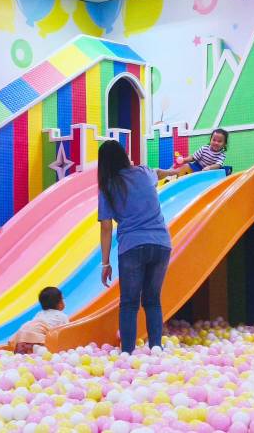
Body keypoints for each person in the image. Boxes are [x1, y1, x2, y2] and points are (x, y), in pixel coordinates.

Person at [98, 140, 172, 354]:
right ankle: (156, 347)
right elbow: (158, 173)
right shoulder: (143, 172)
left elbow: (105, 226)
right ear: (123, 155)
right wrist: (173, 171)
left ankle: (128, 352)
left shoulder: (108, 185)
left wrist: (105, 263)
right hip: (161, 243)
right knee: (152, 300)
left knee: (129, 303)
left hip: (132, 246)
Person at [10, 287, 68, 354]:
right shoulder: (62, 316)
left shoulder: (39, 314)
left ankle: (27, 350)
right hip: (38, 340)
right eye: (63, 299)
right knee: (45, 348)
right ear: (60, 303)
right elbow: (66, 333)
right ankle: (37, 349)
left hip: (23, 338)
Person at [163, 128, 228, 177]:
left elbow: (218, 165)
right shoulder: (204, 148)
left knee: (224, 171)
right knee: (185, 166)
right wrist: (184, 160)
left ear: (224, 143)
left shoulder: (221, 155)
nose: (216, 143)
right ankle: (171, 173)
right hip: (198, 166)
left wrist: (209, 168)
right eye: (214, 140)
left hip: (210, 171)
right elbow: (193, 157)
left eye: (219, 141)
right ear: (210, 140)